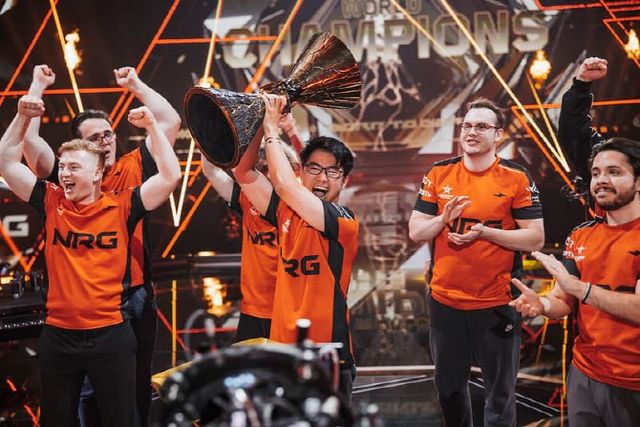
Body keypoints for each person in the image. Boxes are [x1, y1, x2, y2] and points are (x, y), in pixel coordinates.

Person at [0, 96, 181, 426]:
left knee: (120, 419)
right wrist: (21, 117)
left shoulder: (123, 205)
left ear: (97, 172)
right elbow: (6, 162)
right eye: (62, 167)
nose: (64, 174)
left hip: (111, 334)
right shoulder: (51, 200)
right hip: (59, 336)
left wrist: (152, 126)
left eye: (74, 167)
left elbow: (170, 177)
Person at [408, 98, 545, 426]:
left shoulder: (516, 177)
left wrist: (486, 234)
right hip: (446, 303)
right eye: (467, 126)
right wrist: (443, 219)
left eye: (481, 126)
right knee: (449, 389)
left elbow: (535, 238)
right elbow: (416, 231)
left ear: (498, 135)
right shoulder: (439, 173)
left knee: (500, 395)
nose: (471, 132)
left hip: (497, 304)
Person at [232, 93, 359, 399]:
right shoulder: (284, 211)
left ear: (344, 182)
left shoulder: (343, 221)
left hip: (327, 352)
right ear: (303, 172)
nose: (323, 178)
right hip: (283, 351)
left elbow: (285, 184)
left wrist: (272, 128)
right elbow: (243, 173)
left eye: (333, 172)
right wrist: (260, 123)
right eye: (314, 169)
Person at [510, 137, 640, 425]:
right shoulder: (582, 235)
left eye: (614, 172)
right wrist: (541, 304)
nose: (601, 180)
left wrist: (581, 289)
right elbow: (562, 299)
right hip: (585, 374)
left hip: (633, 383)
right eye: (596, 173)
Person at [201, 117, 300, 342]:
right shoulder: (247, 200)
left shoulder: (303, 206)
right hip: (253, 311)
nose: (269, 174)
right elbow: (211, 171)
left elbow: (309, 168)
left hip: (290, 310)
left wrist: (291, 130)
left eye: (275, 168)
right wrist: (207, 132)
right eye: (263, 168)